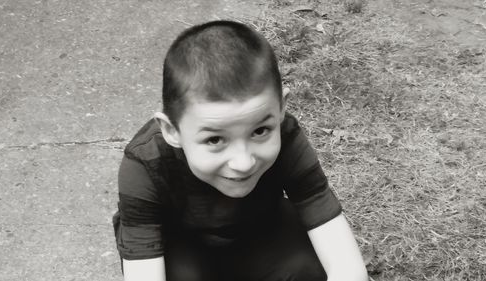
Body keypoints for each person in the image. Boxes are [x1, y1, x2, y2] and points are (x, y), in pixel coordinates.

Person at [113, 20, 368, 281]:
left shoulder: (287, 135)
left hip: (259, 233)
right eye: (214, 140)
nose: (243, 162)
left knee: (308, 268)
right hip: (183, 249)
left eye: (259, 132)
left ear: (281, 108)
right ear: (171, 131)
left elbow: (344, 260)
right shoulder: (145, 164)